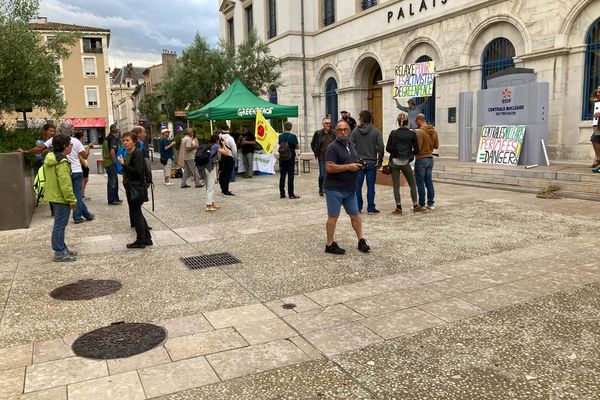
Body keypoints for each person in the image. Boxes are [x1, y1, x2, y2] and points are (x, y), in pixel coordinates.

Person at [323, 120, 370, 255]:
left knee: (355, 215)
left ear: (350, 131)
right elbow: (329, 167)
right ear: (335, 132)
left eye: (345, 129)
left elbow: (352, 158)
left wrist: (360, 163)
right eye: (339, 130)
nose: (343, 132)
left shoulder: (351, 145)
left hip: (349, 189)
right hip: (334, 189)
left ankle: (361, 240)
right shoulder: (332, 147)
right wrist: (348, 167)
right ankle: (330, 244)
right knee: (333, 216)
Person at [43, 134, 78, 262]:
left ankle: (62, 248)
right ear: (64, 146)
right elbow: (66, 184)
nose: (72, 146)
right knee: (60, 225)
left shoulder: (51, 157)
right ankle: (59, 252)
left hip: (54, 196)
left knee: (59, 224)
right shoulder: (61, 162)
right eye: (70, 144)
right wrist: (72, 200)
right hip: (61, 197)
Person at [50, 122, 94, 224]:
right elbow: (85, 156)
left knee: (74, 195)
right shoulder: (75, 141)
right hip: (76, 170)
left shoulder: (56, 141)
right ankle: (77, 216)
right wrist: (88, 148)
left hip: (65, 170)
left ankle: (87, 214)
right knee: (77, 195)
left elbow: (45, 148)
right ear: (70, 130)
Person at [386, 113, 428, 215]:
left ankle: (399, 208)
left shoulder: (393, 133)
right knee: (412, 184)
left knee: (396, 186)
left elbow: (387, 148)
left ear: (398, 121)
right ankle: (415, 206)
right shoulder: (412, 134)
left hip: (395, 162)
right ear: (407, 122)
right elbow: (417, 150)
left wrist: (395, 151)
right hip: (406, 162)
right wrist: (409, 153)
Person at [118, 132, 152, 249]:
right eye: (124, 140)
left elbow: (137, 172)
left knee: (136, 213)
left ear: (134, 141)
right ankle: (147, 238)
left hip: (135, 187)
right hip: (131, 186)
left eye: (127, 140)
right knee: (138, 213)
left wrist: (123, 165)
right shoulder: (129, 153)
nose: (125, 143)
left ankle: (140, 240)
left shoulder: (136, 154)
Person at [351, 110, 384, 214]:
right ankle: (370, 208)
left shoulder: (355, 131)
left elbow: (350, 145)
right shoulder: (376, 131)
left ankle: (358, 207)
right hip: (371, 162)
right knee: (371, 186)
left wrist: (354, 157)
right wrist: (380, 161)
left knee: (358, 186)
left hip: (359, 163)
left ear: (361, 119)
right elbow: (381, 147)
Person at [19, 123, 57, 215]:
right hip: (45, 167)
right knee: (48, 187)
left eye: (53, 131)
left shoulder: (55, 140)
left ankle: (56, 208)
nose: (52, 133)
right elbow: (38, 156)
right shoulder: (40, 142)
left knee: (55, 187)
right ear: (45, 131)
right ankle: (53, 210)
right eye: (50, 131)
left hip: (55, 166)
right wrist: (43, 153)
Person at [415, 114, 439, 210]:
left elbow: (418, 148)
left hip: (421, 158)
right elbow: (436, 145)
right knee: (429, 181)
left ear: (419, 120)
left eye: (416, 121)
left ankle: (421, 204)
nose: (415, 123)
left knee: (420, 182)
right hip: (430, 158)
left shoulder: (420, 132)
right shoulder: (434, 131)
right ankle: (431, 203)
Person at [311, 117, 335, 196]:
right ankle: (321, 188)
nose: (328, 125)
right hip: (322, 156)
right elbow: (312, 143)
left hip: (331, 157)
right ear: (323, 124)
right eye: (326, 123)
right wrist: (316, 152)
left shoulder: (333, 133)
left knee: (330, 174)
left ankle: (328, 188)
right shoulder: (318, 133)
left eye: (329, 123)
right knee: (322, 174)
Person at [206, 134, 228, 211]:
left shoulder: (209, 145)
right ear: (217, 140)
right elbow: (226, 152)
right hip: (210, 167)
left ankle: (212, 203)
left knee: (208, 185)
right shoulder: (215, 146)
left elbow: (219, 158)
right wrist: (224, 145)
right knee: (211, 186)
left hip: (204, 167)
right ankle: (209, 205)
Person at [278, 121, 300, 199]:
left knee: (282, 176)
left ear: (284, 127)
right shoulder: (293, 136)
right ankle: (291, 194)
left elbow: (280, 145)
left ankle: (282, 194)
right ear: (291, 128)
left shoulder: (280, 136)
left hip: (282, 157)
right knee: (290, 176)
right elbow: (297, 147)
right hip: (291, 157)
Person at [102, 124, 122, 205]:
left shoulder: (107, 138)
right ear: (116, 131)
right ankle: (112, 199)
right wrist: (115, 162)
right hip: (111, 163)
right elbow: (112, 152)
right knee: (112, 182)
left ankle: (115, 198)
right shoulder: (113, 139)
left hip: (107, 162)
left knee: (114, 181)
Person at [219, 124, 237, 196]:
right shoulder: (230, 138)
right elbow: (234, 149)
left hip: (221, 156)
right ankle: (226, 190)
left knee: (222, 174)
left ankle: (223, 189)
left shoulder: (219, 137)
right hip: (229, 157)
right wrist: (234, 157)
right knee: (227, 174)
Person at [73, 131, 91, 199]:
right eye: (84, 136)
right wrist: (88, 147)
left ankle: (81, 194)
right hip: (82, 164)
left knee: (85, 180)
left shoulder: (77, 143)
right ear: (81, 137)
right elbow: (84, 156)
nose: (84, 137)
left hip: (82, 164)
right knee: (84, 180)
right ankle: (81, 195)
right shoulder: (78, 143)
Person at [590, 86, 600, 169]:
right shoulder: (597, 102)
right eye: (597, 92)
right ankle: (597, 159)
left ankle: (598, 159)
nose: (598, 93)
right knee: (595, 140)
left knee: (594, 139)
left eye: (599, 92)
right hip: (597, 124)